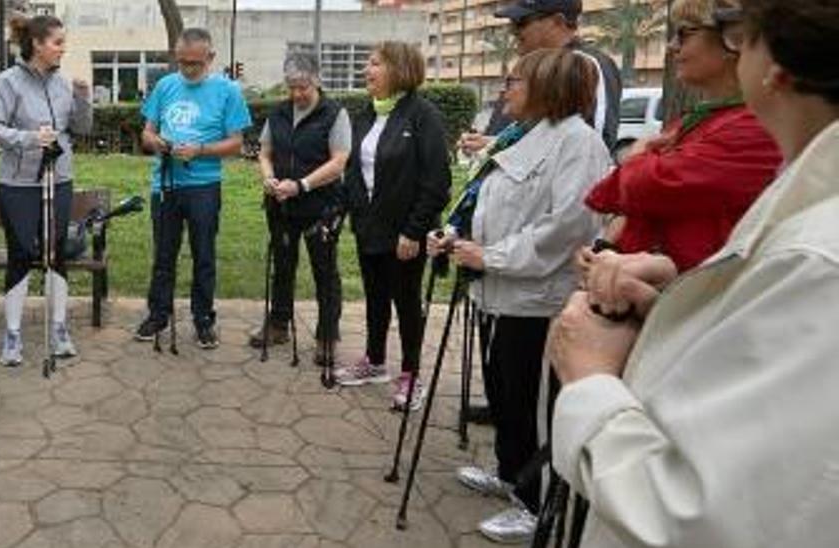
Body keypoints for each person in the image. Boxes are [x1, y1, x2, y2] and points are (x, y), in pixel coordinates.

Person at [549, 1, 839, 545]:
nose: (676, 47)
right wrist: (671, 302)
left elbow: (694, 514)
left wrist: (590, 380)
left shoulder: (818, 259)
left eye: (737, 33)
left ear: (773, 63)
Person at [428, 48, 613, 544]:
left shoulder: (579, 143)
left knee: (535, 403)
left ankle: (535, 502)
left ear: (548, 87)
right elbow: (490, 199)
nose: (505, 89)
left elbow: (565, 227)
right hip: (498, 294)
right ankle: (511, 474)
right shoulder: (525, 135)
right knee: (505, 394)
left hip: (537, 299)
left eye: (515, 81)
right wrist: (457, 236)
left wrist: (492, 256)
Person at [583, 0, 780, 273]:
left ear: (732, 39)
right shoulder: (695, 121)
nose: (672, 46)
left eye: (685, 34)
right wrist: (606, 247)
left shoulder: (757, 128)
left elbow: (644, 187)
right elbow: (609, 195)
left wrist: (637, 159)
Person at [334, 41, 450, 411]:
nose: (367, 71)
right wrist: (348, 212)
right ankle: (374, 361)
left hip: (405, 235)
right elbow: (353, 170)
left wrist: (414, 231)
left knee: (406, 303)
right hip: (370, 229)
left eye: (374, 63)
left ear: (399, 68)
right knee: (375, 299)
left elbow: (437, 182)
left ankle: (411, 375)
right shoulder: (365, 113)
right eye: (367, 64)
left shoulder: (422, 114)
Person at [0, 14, 92, 366]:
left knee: (57, 252)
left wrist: (83, 97)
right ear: (37, 45)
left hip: (58, 179)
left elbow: (81, 128)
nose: (63, 49)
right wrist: (30, 139)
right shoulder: (8, 81)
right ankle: (12, 335)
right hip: (19, 185)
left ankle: (59, 329)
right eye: (58, 42)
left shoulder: (62, 83)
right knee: (20, 254)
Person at [134, 27, 252, 350]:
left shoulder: (228, 91)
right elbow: (147, 131)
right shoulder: (165, 85)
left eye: (195, 64)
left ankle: (203, 319)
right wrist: (156, 142)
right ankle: (158, 314)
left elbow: (237, 143)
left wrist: (200, 150)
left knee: (204, 255)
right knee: (163, 254)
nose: (187, 69)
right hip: (165, 183)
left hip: (204, 185)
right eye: (182, 62)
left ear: (210, 58)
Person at [247, 52, 351, 367]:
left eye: (302, 87)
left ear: (316, 80)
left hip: (321, 207)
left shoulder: (335, 114)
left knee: (324, 271)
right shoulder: (278, 113)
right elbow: (264, 152)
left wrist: (302, 185)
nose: (296, 94)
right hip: (280, 205)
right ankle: (279, 324)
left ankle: (327, 335)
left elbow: (339, 162)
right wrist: (268, 178)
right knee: (283, 265)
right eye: (291, 87)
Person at [461, 0, 622, 152]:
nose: (514, 31)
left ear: (557, 22)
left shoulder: (585, 64)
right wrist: (493, 143)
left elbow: (596, 145)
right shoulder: (535, 65)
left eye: (521, 22)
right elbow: (536, 137)